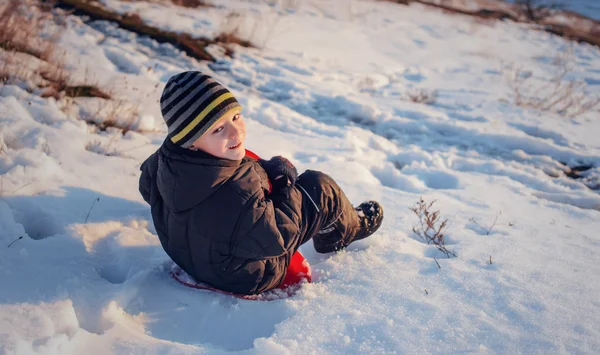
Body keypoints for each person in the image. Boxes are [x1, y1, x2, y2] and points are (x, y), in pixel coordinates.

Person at [139, 71, 383, 295]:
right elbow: (279, 237)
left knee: (246, 159)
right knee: (319, 188)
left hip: (191, 255)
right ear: (191, 140)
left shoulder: (163, 161)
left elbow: (147, 188)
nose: (235, 132)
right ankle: (343, 232)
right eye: (218, 129)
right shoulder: (236, 196)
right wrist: (285, 185)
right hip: (249, 273)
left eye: (235, 116)